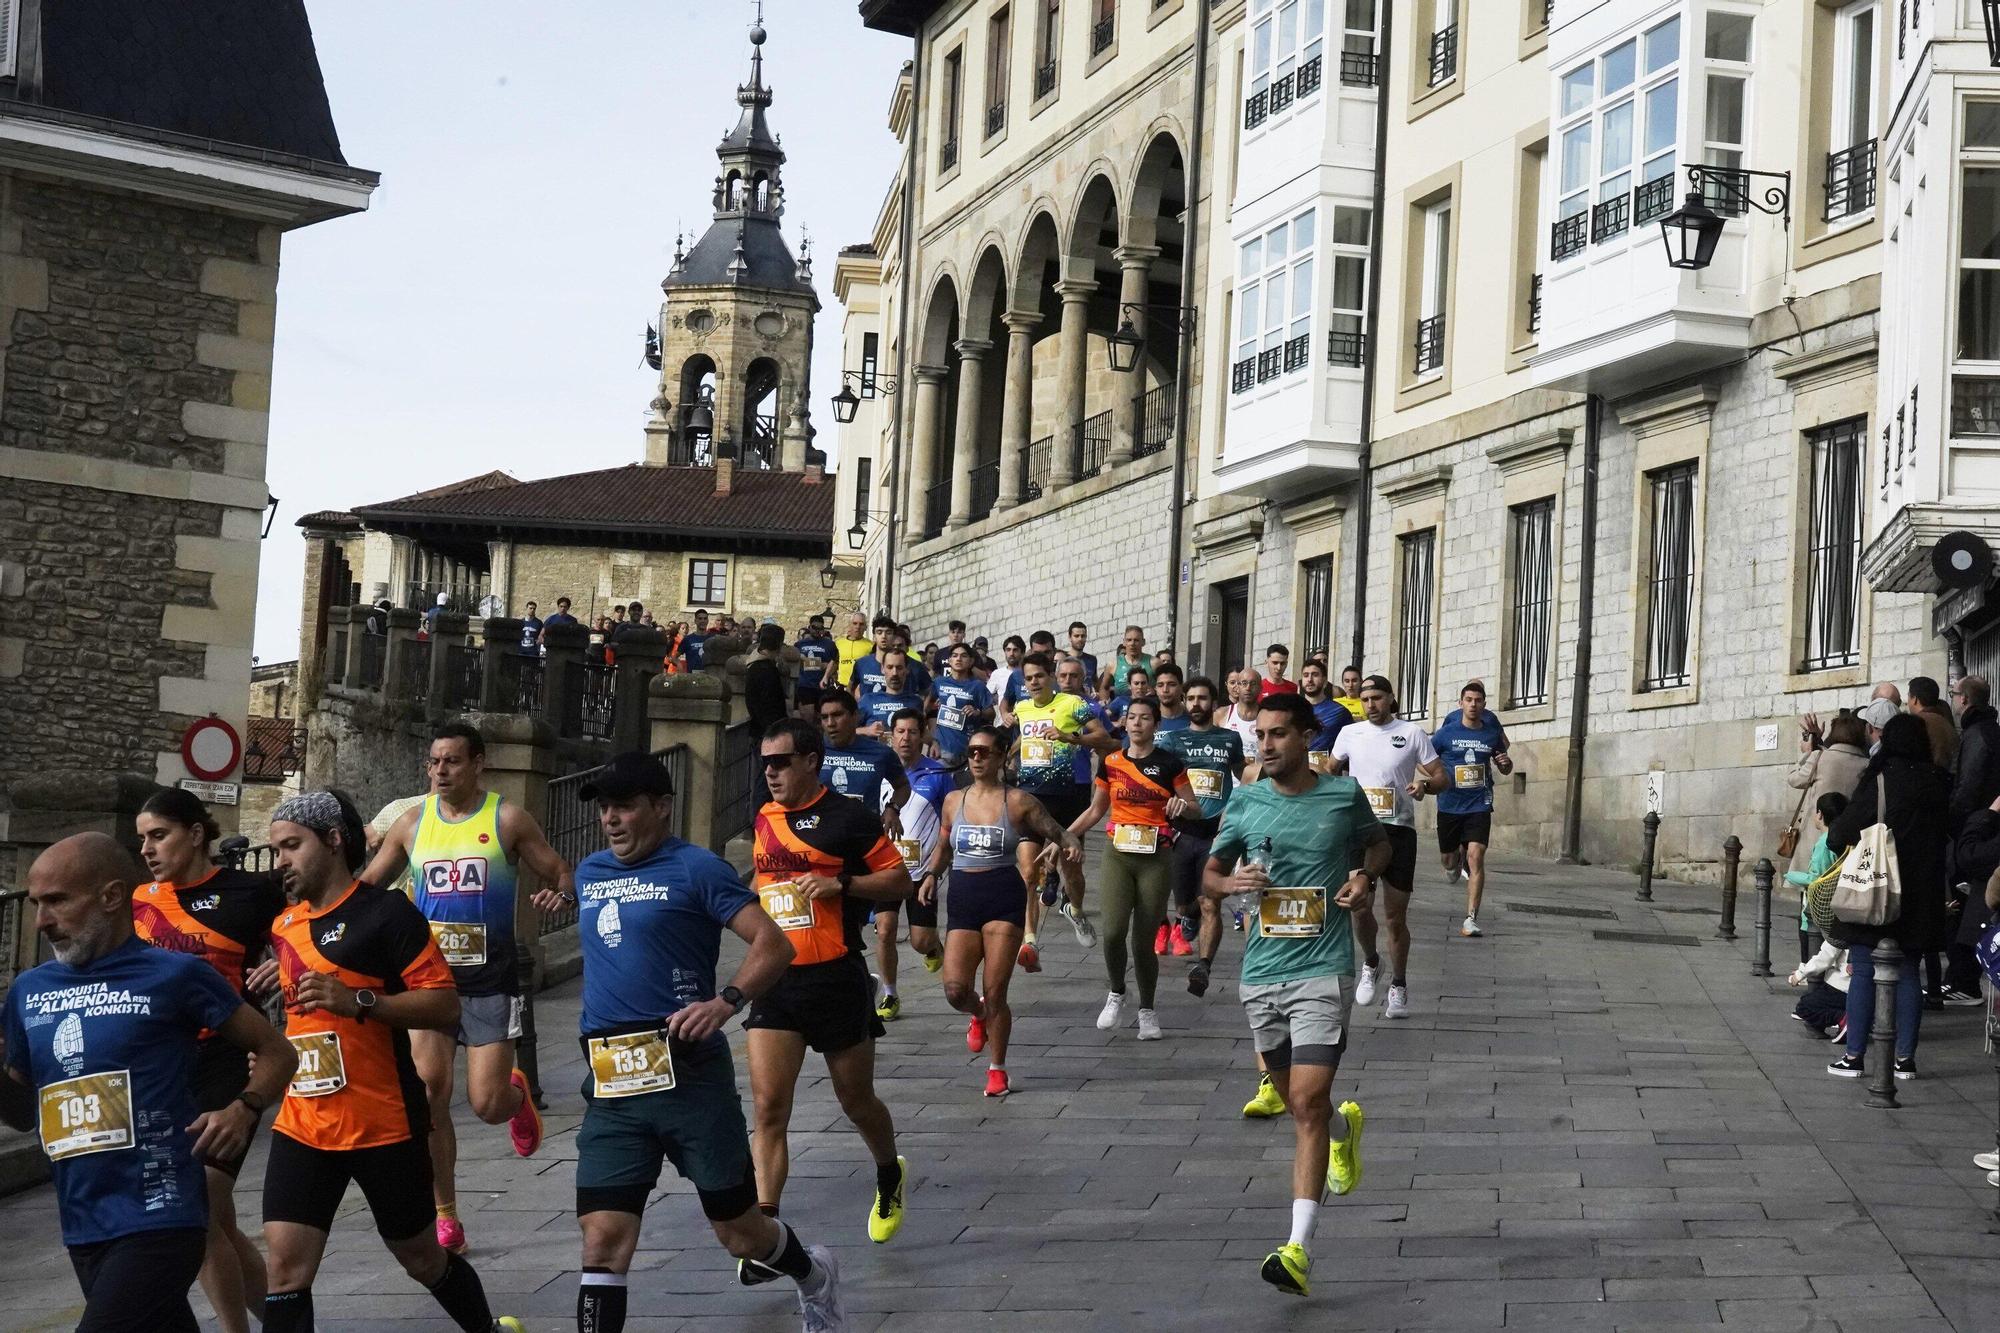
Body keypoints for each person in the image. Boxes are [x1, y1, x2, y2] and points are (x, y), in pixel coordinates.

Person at [526, 750, 844, 1331]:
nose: (611, 819)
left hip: (689, 1075)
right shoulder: (594, 872)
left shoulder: (698, 869)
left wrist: (726, 1002)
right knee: (602, 1241)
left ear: (663, 806)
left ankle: (814, 1275)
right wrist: (564, 895)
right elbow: (601, 909)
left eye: (624, 806)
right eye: (605, 809)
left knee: (739, 1232)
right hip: (613, 1082)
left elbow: (773, 945)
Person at [1, 832, 297, 1333]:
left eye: (57, 902)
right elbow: (23, 1113)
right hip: (83, 1218)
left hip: (162, 1212)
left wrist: (243, 1107)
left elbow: (278, 1051)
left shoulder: (176, 975)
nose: (42, 922)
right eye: (36, 904)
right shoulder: (28, 991)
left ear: (112, 897)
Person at [254, 791, 522, 1333]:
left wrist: (360, 1002)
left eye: (290, 846)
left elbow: (444, 1003)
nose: (279, 860)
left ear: (332, 841)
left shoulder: (386, 914)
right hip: (304, 1123)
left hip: (383, 1125)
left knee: (422, 1258)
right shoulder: (284, 926)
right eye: (274, 848)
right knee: (284, 1269)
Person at [361, 723, 571, 1255]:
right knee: (430, 1096)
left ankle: (516, 1096)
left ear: (478, 763)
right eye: (433, 763)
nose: (440, 772)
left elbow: (557, 870)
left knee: (485, 1103)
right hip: (429, 983)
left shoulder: (506, 819)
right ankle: (445, 1214)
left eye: (451, 761)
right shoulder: (412, 825)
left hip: (489, 982)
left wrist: (560, 895)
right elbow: (366, 889)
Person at [1204, 693, 1388, 1297]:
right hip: (1261, 973)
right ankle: (1343, 1133)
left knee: (1306, 1100)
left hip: (1321, 968)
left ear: (1306, 737)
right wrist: (1230, 882)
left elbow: (1377, 843)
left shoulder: (1341, 795)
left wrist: (1362, 877)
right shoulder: (1245, 801)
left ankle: (1297, 1250)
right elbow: (1210, 872)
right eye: (1260, 735)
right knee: (1296, 1101)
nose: (1266, 745)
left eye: (1279, 734)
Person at [746, 719, 915, 1243]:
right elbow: (761, 880)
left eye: (781, 762)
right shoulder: (765, 817)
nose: (770, 772)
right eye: (765, 763)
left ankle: (889, 1171)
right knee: (770, 1108)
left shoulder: (849, 817)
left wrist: (839, 882)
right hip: (775, 980)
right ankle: (765, 1230)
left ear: (811, 760)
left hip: (836, 977)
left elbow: (899, 880)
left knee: (854, 1099)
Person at [132, 789, 288, 1333]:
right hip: (165, 1070)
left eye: (159, 835)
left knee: (198, 1213)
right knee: (214, 1220)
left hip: (228, 1059)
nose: (148, 849)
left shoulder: (249, 892)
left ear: (196, 834)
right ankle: (284, 1324)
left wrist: (284, 970)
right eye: (142, 839)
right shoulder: (138, 902)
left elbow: (310, 937)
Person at [924, 725, 1080, 1096]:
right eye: (972, 751)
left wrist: (1070, 841)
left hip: (1002, 896)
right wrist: (931, 874)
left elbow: (1056, 829)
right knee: (955, 990)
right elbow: (944, 846)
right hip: (963, 895)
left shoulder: (1019, 801)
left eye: (984, 752)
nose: (976, 758)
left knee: (995, 992)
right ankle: (977, 1015)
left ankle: (997, 1069)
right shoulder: (954, 801)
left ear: (1000, 756)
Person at [1824, 713, 1951, 1081]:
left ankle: (1855, 1056)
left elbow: (1842, 832)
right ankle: (1905, 1060)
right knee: (1909, 971)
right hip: (1922, 892)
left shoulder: (1881, 779)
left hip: (1877, 887)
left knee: (1865, 968)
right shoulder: (1939, 782)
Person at [1070, 696, 1200, 1041]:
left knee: (1143, 941)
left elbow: (1195, 809)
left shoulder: (1170, 764)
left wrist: (1180, 806)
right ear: (1124, 724)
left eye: (1145, 718)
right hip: (1118, 853)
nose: (1137, 723)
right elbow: (1096, 811)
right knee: (1112, 932)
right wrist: (1064, 837)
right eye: (1132, 717)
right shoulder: (1111, 762)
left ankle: (1147, 1009)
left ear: (1156, 725)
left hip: (1156, 856)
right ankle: (1116, 991)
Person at [1328, 675, 1446, 1020]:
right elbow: (1329, 771)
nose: (1370, 705)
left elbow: (1441, 776)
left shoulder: (1412, 733)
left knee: (1395, 916)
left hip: (1398, 832)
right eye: (1365, 699)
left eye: (1377, 698)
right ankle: (1371, 961)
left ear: (1391, 698)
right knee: (1357, 905)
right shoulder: (1350, 733)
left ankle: (1398, 984)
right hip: (1358, 831)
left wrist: (1425, 787)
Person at [1013, 651, 1115, 967]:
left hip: (1067, 797)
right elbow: (1023, 737)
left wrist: (1070, 737)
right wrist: (1008, 754)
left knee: (1071, 870)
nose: (1033, 683)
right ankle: (1030, 941)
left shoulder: (1074, 705)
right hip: (1030, 798)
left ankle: (1076, 909)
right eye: (1028, 678)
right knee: (1029, 871)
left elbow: (1104, 737)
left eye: (1039, 676)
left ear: (1051, 676)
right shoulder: (1022, 707)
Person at [1160, 676, 1249, 998]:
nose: (1197, 704)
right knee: (1185, 904)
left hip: (1218, 831)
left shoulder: (1229, 739)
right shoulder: (1172, 741)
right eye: (1192, 698)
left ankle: (1204, 964)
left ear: (1214, 703)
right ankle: (1187, 917)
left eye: (1203, 698)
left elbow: (1244, 776)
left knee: (1211, 901)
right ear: (1185, 702)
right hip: (1183, 831)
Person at [873, 708, 954, 1019]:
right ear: (891, 736)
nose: (906, 738)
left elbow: (951, 821)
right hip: (886, 868)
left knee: (920, 941)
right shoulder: (879, 771)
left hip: (922, 871)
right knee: (885, 930)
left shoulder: (938, 774)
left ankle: (933, 947)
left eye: (912, 732)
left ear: (923, 736)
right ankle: (890, 994)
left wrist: (942, 863)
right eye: (900, 732)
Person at [1429, 681, 1514, 938]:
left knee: (1477, 855)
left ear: (1484, 704)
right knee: (1448, 859)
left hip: (1479, 802)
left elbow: (1505, 766)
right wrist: (1436, 779)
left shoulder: (1490, 733)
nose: (1473, 704)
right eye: (1468, 700)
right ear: (1461, 703)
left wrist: (1505, 763)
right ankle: (1455, 862)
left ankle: (1471, 918)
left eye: (1478, 700)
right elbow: (1426, 760)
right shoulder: (1446, 733)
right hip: (1449, 803)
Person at [1784, 712, 1869, 933]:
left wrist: (1807, 753)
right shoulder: (1865, 764)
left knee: (1810, 898)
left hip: (1817, 836)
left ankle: (1809, 951)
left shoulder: (1821, 758)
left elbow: (1795, 778)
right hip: (1847, 842)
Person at [817, 689, 911, 840]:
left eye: (837, 715)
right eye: (824, 717)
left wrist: (893, 808)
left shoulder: (881, 753)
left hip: (866, 839)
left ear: (855, 716)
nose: (830, 723)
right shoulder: (813, 752)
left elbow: (903, 786)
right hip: (822, 839)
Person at [1785, 792, 1848, 968]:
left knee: (1810, 941)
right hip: (1834, 904)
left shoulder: (1824, 843)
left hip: (1819, 906)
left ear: (1820, 814)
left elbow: (1816, 878)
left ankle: (1808, 975)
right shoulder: (1841, 839)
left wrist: (1790, 875)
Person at [932, 642, 995, 765]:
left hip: (969, 750)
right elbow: (926, 709)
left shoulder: (978, 686)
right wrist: (933, 740)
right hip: (943, 750)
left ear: (971, 661)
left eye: (963, 656)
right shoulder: (939, 682)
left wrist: (978, 712)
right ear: (949, 660)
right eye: (955, 656)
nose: (958, 659)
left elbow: (991, 713)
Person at [857, 652, 925, 738]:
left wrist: (933, 742)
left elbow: (923, 733)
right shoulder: (867, 700)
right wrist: (867, 730)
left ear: (907, 669)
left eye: (899, 668)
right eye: (890, 667)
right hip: (875, 751)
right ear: (882, 669)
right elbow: (848, 731)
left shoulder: (916, 702)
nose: (894, 673)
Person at [1300, 659, 1350, 771]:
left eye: (1315, 675)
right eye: (1306, 675)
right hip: (1296, 773)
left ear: (1325, 681)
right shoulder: (1292, 710)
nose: (1309, 679)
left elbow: (1350, 745)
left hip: (1328, 776)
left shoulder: (1340, 712)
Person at [794, 615, 837, 719]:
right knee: (807, 718)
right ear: (809, 627)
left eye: (820, 628)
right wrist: (821, 665)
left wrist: (807, 661)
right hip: (805, 685)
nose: (817, 631)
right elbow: (797, 664)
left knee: (822, 719)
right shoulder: (799, 645)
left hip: (823, 686)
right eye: (814, 627)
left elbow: (834, 664)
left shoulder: (829, 644)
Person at [989, 634, 1028, 727]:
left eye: (1015, 650)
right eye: (1008, 650)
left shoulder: (1029, 673)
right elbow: (987, 697)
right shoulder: (997, 674)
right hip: (1003, 725)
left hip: (1025, 723)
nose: (1011, 653)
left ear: (1022, 653)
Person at [1221, 669, 1262, 752]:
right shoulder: (1221, 714)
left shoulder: (1267, 716)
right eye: (1244, 683)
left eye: (1253, 683)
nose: (1248, 688)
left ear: (1260, 688)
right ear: (1238, 687)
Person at [833, 610, 873, 690]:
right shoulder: (838, 643)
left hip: (860, 688)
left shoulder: (871, 646)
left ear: (865, 627)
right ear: (850, 625)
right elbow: (833, 663)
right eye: (855, 623)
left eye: (861, 624)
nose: (857, 627)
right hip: (841, 687)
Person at [1109, 625, 1150, 696]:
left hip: (1147, 705)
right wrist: (1104, 701)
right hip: (1121, 705)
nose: (1132, 644)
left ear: (1143, 642)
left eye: (1136, 640)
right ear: (1124, 642)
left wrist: (1155, 691)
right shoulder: (1112, 664)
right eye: (1129, 640)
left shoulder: (1154, 663)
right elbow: (1103, 688)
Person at [1153, 661, 1190, 733]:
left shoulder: (1194, 720)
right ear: (1155, 689)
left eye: (1171, 684)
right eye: (1160, 685)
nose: (1165, 690)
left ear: (1181, 687)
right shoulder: (1147, 720)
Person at [1067, 621, 1099, 686]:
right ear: (1070, 637)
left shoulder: (1092, 660)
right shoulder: (1063, 659)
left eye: (1083, 636)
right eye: (1076, 636)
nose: (1080, 639)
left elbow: (1094, 681)